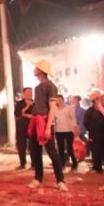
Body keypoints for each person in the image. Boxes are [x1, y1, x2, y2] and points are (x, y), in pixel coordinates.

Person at [27, 60, 67, 191]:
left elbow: (52, 108)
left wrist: (48, 126)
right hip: (35, 120)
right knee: (35, 151)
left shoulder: (51, 86)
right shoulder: (37, 87)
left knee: (52, 151)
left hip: (45, 121)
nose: (34, 70)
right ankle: (38, 178)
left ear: (40, 70)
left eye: (36, 68)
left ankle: (60, 180)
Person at [85, 92, 104, 173]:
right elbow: (86, 123)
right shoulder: (89, 111)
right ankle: (97, 167)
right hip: (94, 134)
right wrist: (91, 130)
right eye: (96, 100)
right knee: (95, 151)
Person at [54, 95, 78, 171]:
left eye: (60, 99)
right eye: (57, 99)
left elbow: (73, 118)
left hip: (68, 130)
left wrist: (75, 129)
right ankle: (62, 164)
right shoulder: (54, 109)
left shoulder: (69, 108)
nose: (59, 101)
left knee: (70, 148)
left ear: (63, 100)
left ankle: (74, 163)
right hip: (58, 130)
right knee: (60, 148)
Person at [14, 88, 34, 169]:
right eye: (28, 92)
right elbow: (17, 114)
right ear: (24, 94)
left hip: (32, 127)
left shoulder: (35, 103)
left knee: (33, 147)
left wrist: (24, 114)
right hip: (21, 128)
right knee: (21, 146)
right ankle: (23, 164)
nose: (30, 94)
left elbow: (36, 114)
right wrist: (27, 107)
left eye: (31, 92)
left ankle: (34, 164)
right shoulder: (19, 103)